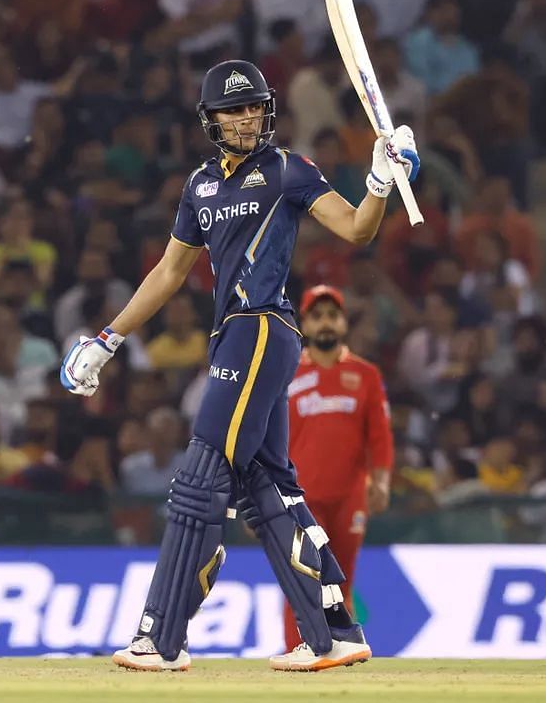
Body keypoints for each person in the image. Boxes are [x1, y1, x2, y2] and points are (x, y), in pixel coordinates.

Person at [59, 59, 418, 672]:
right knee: (266, 486)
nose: (247, 117)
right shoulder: (200, 186)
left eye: (254, 105)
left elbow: (356, 230)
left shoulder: (287, 170)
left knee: (201, 478)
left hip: (261, 328)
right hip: (234, 336)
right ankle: (334, 631)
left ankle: (161, 638)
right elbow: (170, 272)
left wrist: (381, 181)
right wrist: (108, 337)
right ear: (211, 120)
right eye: (234, 109)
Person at [282, 285, 393, 652]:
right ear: (305, 325)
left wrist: (381, 480)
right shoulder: (286, 373)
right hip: (301, 496)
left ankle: (338, 649)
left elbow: (379, 436)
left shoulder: (365, 374)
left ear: (344, 323)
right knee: (303, 578)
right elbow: (271, 437)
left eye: (332, 315)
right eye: (317, 316)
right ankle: (296, 650)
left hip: (350, 494)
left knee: (341, 579)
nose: (326, 323)